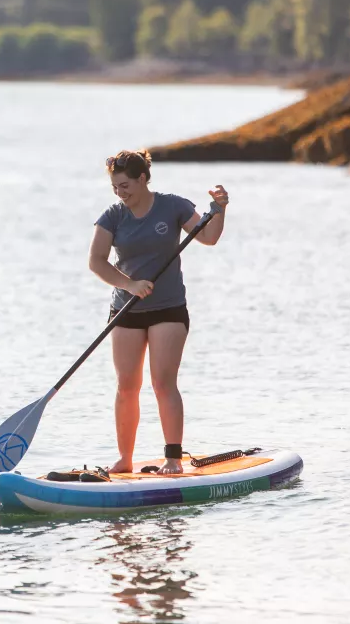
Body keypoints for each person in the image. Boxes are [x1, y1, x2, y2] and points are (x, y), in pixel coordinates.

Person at [88, 150, 228, 475]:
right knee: (126, 385)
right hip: (126, 309)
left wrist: (218, 210)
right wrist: (130, 284)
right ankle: (124, 458)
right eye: (115, 187)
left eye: (125, 186)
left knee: (163, 384)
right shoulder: (112, 216)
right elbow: (96, 261)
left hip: (168, 308)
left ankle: (173, 458)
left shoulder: (173, 206)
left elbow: (208, 237)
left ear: (142, 179)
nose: (120, 193)